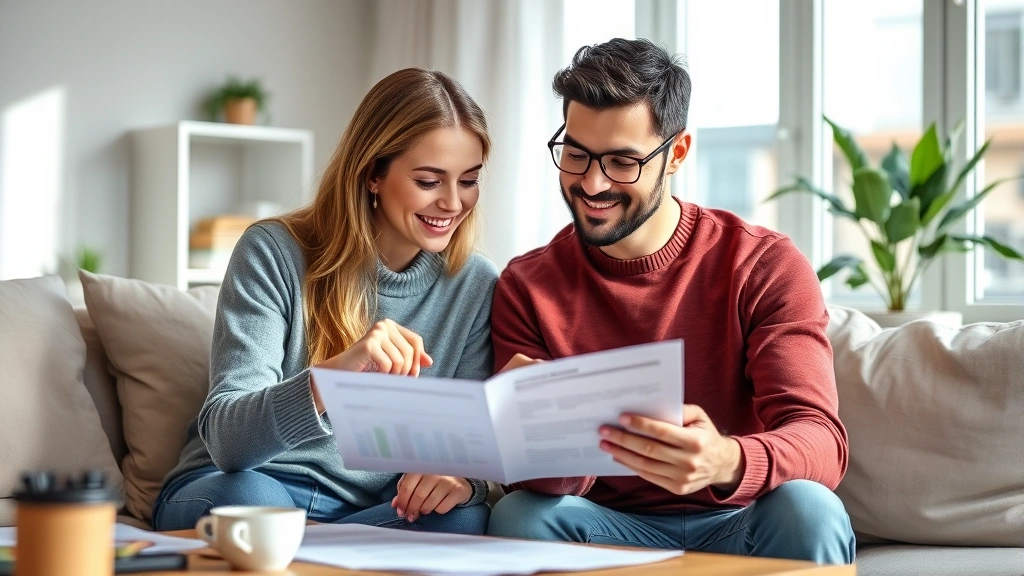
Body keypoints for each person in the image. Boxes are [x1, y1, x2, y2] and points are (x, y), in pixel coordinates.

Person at [486, 39, 855, 564]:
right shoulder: (527, 285)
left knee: (809, 508)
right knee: (521, 515)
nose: (592, 183)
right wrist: (534, 429)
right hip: (604, 524)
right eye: (576, 154)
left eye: (621, 162)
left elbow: (820, 439)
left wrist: (727, 459)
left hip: (740, 518)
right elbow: (539, 484)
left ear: (676, 154)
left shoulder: (762, 264)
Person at [153, 68, 498, 535]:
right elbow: (227, 444)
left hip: (371, 509)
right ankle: (320, 546)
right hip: (240, 483)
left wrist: (461, 481)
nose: (454, 203)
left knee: (464, 516)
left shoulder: (475, 285)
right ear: (373, 174)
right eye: (429, 181)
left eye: (469, 180)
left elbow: (464, 453)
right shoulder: (273, 251)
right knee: (255, 503)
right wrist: (333, 377)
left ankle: (317, 546)